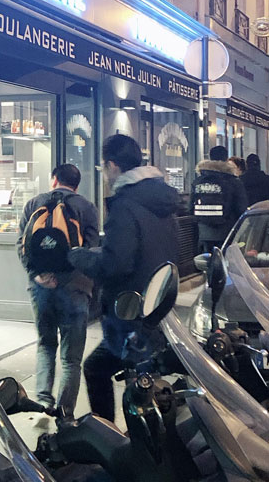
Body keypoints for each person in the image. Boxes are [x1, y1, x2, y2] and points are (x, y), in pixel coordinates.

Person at [68, 134, 179, 423]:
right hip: (156, 307)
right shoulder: (160, 200)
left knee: (99, 369)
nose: (104, 174)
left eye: (104, 167)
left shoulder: (125, 204)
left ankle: (112, 441)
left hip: (130, 313)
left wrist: (79, 256)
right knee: (143, 380)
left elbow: (116, 264)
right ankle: (148, 440)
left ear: (112, 166)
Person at [17, 163, 99, 420]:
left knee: (45, 344)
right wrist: (68, 278)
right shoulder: (87, 207)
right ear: (77, 184)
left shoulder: (34, 204)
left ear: (54, 180)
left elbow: (22, 244)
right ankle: (65, 412)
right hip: (76, 289)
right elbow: (92, 249)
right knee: (71, 358)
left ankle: (42, 401)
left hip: (40, 287)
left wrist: (38, 275)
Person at [189, 145, 248, 254]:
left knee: (206, 263)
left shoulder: (198, 181)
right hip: (227, 232)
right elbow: (241, 208)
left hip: (203, 232)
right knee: (225, 263)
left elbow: (190, 208)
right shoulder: (233, 181)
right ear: (226, 159)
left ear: (210, 158)